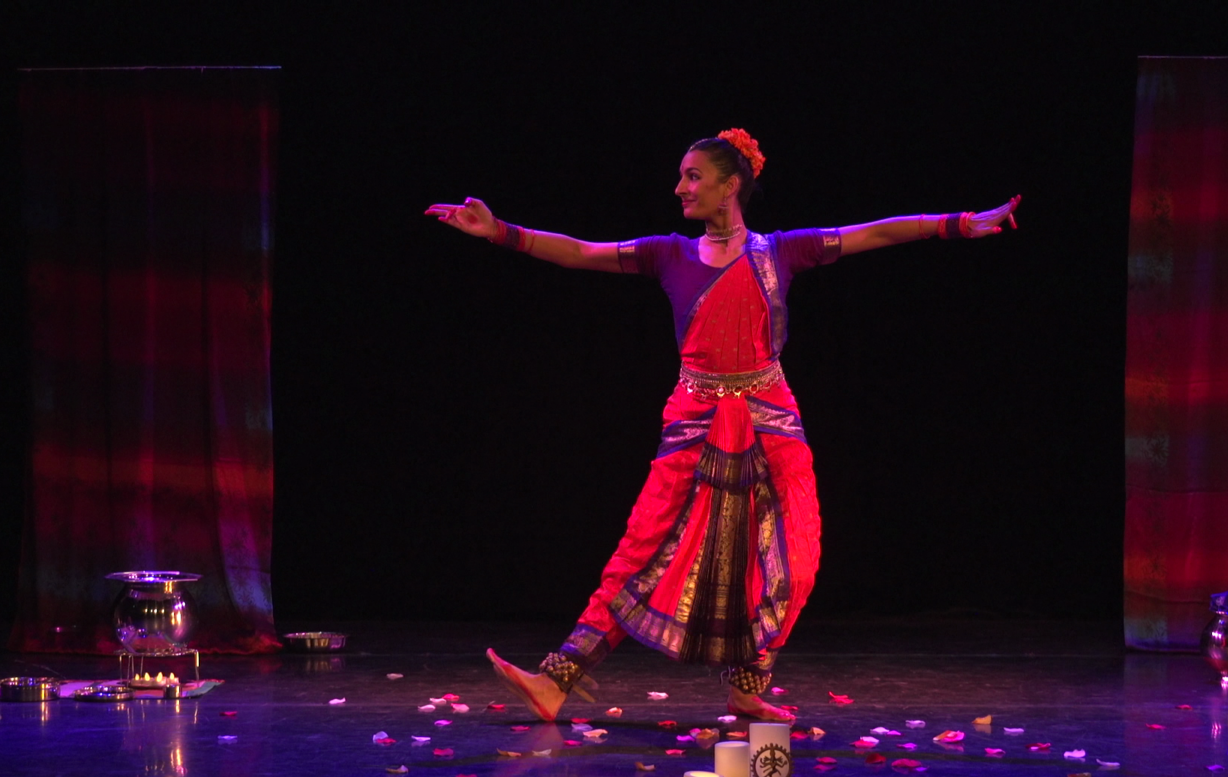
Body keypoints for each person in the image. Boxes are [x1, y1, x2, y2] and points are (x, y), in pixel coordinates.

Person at [426, 129, 1020, 723]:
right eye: (682, 176)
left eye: (692, 176)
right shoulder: (669, 254)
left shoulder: (783, 252)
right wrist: (499, 231)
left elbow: (879, 231)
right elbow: (582, 252)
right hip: (693, 420)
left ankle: (748, 684)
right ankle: (557, 679)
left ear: (729, 184)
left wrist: (961, 224)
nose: (679, 186)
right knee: (643, 547)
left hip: (770, 419)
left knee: (798, 556)